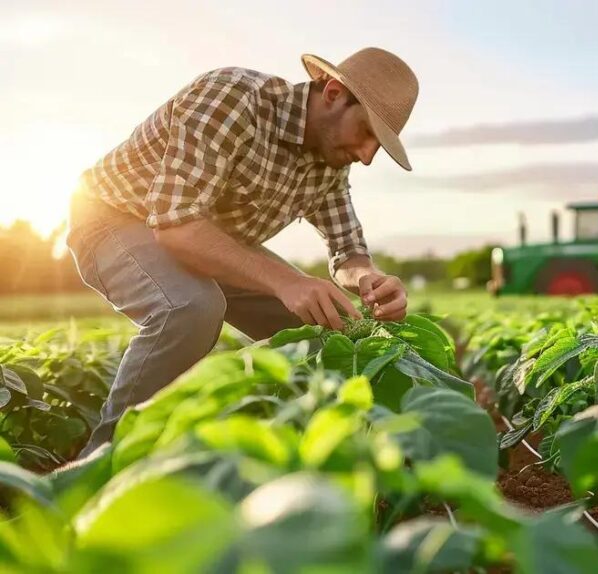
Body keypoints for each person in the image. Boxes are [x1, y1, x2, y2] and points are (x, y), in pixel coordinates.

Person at [65, 48, 418, 458]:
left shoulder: (330, 160)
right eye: (367, 132)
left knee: (328, 324)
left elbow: (348, 250)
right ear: (334, 93)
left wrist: (368, 280)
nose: (367, 156)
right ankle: (104, 462)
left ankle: (289, 457)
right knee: (191, 307)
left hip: (206, 239)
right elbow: (177, 225)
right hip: (116, 216)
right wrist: (286, 281)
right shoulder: (234, 98)